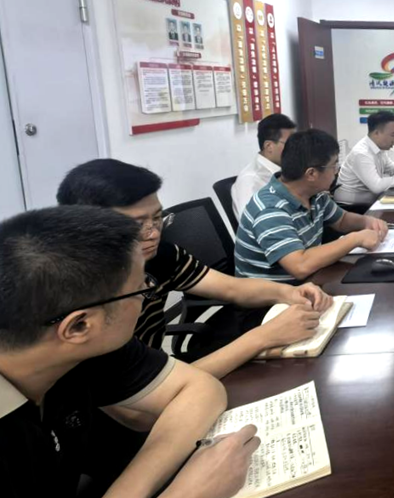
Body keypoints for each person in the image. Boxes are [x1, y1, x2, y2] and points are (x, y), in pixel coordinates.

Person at [0, 206, 258, 498]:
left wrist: (131, 489)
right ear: (79, 325)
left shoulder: (86, 347)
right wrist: (186, 493)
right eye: (141, 289)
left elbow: (202, 389)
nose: (149, 293)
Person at [57, 159, 331, 379]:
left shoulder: (161, 256)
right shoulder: (87, 303)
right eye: (137, 224)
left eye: (157, 218)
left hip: (159, 373)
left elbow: (231, 287)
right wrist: (263, 337)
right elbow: (145, 401)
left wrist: (287, 293)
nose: (153, 233)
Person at [236, 128, 389, 282]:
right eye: (333, 166)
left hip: (310, 282)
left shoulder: (315, 194)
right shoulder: (270, 209)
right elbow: (300, 266)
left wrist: (367, 221)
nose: (336, 172)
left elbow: (341, 220)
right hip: (277, 294)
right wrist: (355, 239)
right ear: (311, 174)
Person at [335, 111, 394, 206]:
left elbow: (390, 167)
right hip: (351, 206)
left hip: (368, 201)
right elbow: (377, 186)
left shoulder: (378, 148)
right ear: (377, 133)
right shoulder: (361, 153)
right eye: (393, 135)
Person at [231, 113, 297, 220]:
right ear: (269, 146)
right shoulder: (251, 181)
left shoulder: (287, 170)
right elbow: (256, 223)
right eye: (290, 143)